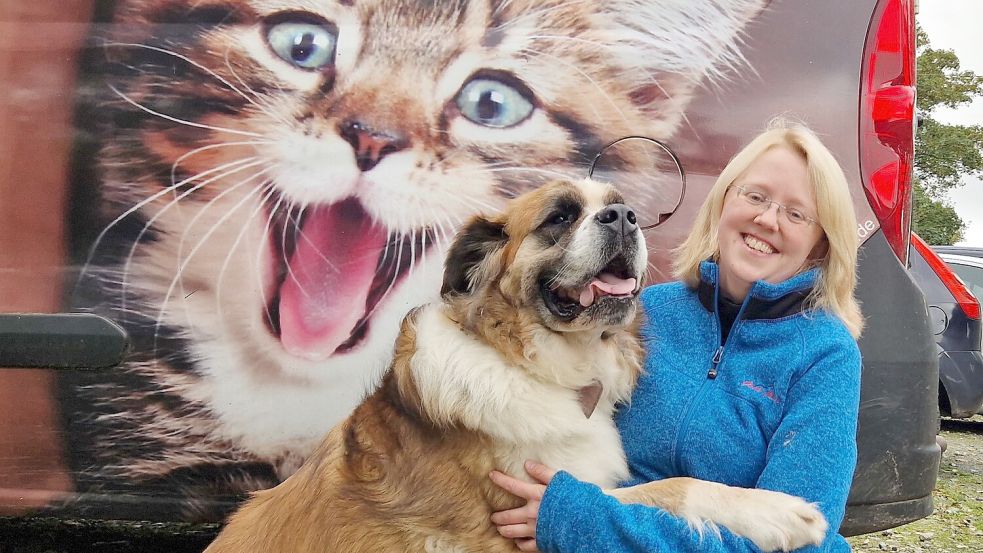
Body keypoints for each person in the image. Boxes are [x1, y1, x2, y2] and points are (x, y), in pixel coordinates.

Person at [488, 119, 865, 552]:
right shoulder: (646, 309)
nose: (766, 219)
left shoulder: (826, 355)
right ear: (724, 202)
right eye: (755, 196)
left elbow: (800, 541)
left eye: (796, 213)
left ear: (820, 245)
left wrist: (584, 524)